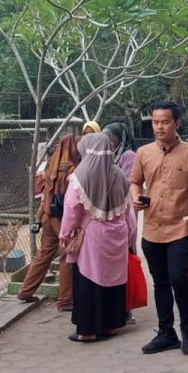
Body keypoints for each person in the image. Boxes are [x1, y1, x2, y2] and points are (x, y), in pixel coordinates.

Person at [130, 100, 188, 355]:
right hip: (152, 229)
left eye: (165, 122)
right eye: (155, 122)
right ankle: (166, 333)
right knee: (160, 282)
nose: (159, 127)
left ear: (177, 123)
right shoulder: (143, 153)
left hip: (181, 228)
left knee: (178, 279)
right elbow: (135, 182)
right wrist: (135, 196)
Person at [59, 132, 137, 342]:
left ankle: (87, 331)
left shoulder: (80, 178)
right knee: (114, 280)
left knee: (88, 280)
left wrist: (65, 235)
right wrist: (129, 234)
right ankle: (110, 325)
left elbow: (71, 209)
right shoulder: (119, 174)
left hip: (93, 237)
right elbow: (128, 209)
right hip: (118, 234)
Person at [17, 133, 79, 309]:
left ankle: (25, 291)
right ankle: (65, 300)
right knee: (67, 256)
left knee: (44, 254)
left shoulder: (50, 165)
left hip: (46, 216)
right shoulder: (71, 168)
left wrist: (38, 217)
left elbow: (44, 195)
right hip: (61, 219)